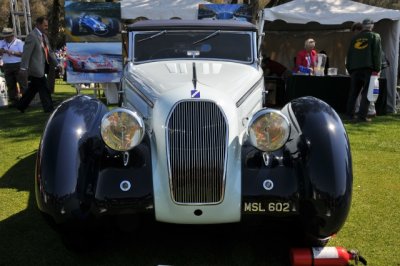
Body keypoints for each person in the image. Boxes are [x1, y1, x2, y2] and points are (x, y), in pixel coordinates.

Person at [16, 16, 58, 113]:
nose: (46, 27)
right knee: (44, 88)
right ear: (38, 25)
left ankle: (21, 106)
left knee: (32, 90)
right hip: (36, 68)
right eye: (45, 25)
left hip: (43, 67)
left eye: (47, 25)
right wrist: (23, 68)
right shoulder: (32, 36)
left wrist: (57, 63)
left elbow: (50, 51)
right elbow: (26, 53)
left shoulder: (44, 36)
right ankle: (49, 108)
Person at [345, 18, 382, 122]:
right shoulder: (375, 36)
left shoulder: (354, 38)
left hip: (355, 69)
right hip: (368, 69)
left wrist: (350, 69)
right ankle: (362, 117)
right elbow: (377, 54)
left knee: (353, 93)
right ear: (372, 26)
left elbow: (349, 55)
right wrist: (377, 69)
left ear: (363, 26)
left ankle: (349, 115)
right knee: (366, 93)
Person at [0, 27, 25, 107]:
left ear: (11, 36)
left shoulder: (19, 42)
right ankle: (14, 101)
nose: (5, 38)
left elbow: (22, 54)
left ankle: (24, 100)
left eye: (7, 36)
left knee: (22, 83)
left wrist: (12, 52)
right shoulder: (1, 42)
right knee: (10, 84)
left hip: (18, 64)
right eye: (4, 36)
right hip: (6, 65)